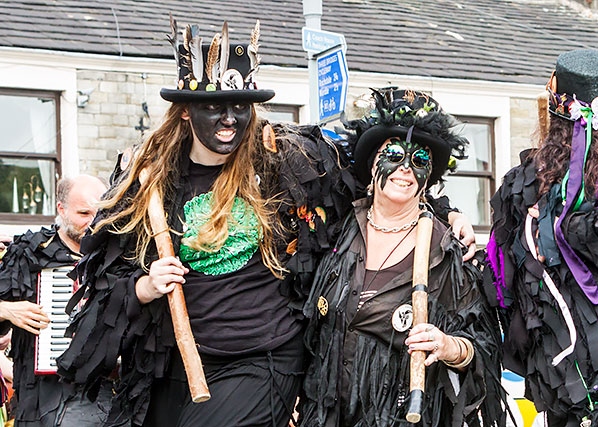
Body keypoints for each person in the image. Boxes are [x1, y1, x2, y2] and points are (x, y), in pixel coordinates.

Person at [56, 17, 355, 427]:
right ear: (184, 114)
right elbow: (108, 281)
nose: (229, 119)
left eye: (239, 107)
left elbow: (375, 180)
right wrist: (144, 286)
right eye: (213, 107)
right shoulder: (150, 184)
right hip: (179, 360)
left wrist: (449, 215)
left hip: (263, 357)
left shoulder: (280, 163)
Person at [299, 88, 506, 426]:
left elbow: (482, 345)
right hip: (323, 414)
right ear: (372, 162)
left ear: (429, 177)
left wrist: (448, 346)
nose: (405, 168)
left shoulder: (444, 250)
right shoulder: (338, 227)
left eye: (420, 160)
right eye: (393, 153)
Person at [486, 48, 598, 426]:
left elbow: (501, 284)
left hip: (568, 375)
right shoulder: (525, 188)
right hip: (572, 370)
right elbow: (504, 276)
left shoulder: (524, 185)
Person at [0, 174, 108, 426]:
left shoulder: (116, 254)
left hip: (109, 388)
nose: (93, 223)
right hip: (45, 394)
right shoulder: (28, 252)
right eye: (84, 213)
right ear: (61, 208)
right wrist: (7, 310)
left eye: (99, 213)